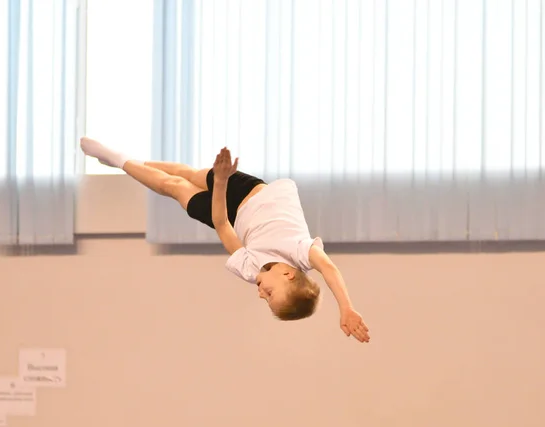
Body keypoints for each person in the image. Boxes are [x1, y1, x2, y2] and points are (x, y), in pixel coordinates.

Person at [80, 137, 370, 343]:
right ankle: (127, 159)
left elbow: (221, 224)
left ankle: (120, 163)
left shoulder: (251, 270)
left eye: (265, 300)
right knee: (188, 174)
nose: (260, 294)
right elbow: (330, 269)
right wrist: (345, 307)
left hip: (228, 214)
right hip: (254, 195)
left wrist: (219, 183)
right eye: (270, 295)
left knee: (174, 187)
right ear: (288, 274)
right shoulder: (301, 253)